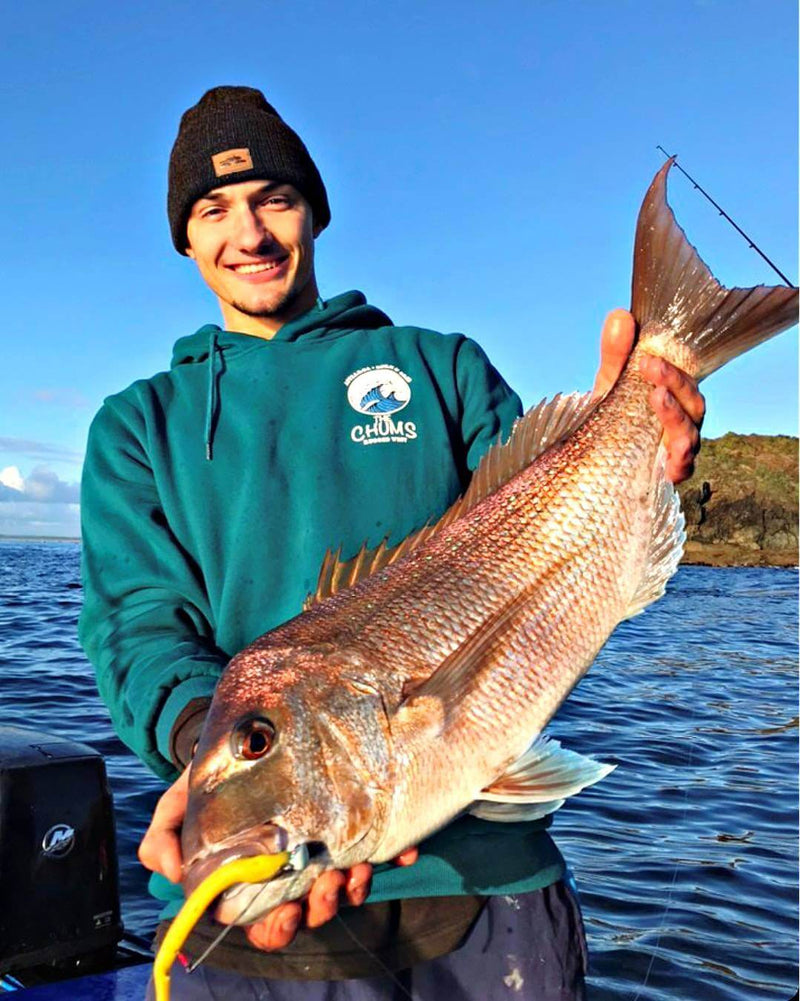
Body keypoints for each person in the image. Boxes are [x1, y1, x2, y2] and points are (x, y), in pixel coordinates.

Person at [79, 86, 705, 1001]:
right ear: (185, 238)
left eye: (274, 199)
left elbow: (536, 517)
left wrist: (626, 431)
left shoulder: (435, 365)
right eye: (213, 211)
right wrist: (205, 744)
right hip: (262, 926)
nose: (247, 233)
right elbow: (138, 624)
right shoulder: (138, 424)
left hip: (492, 885)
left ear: (315, 212)